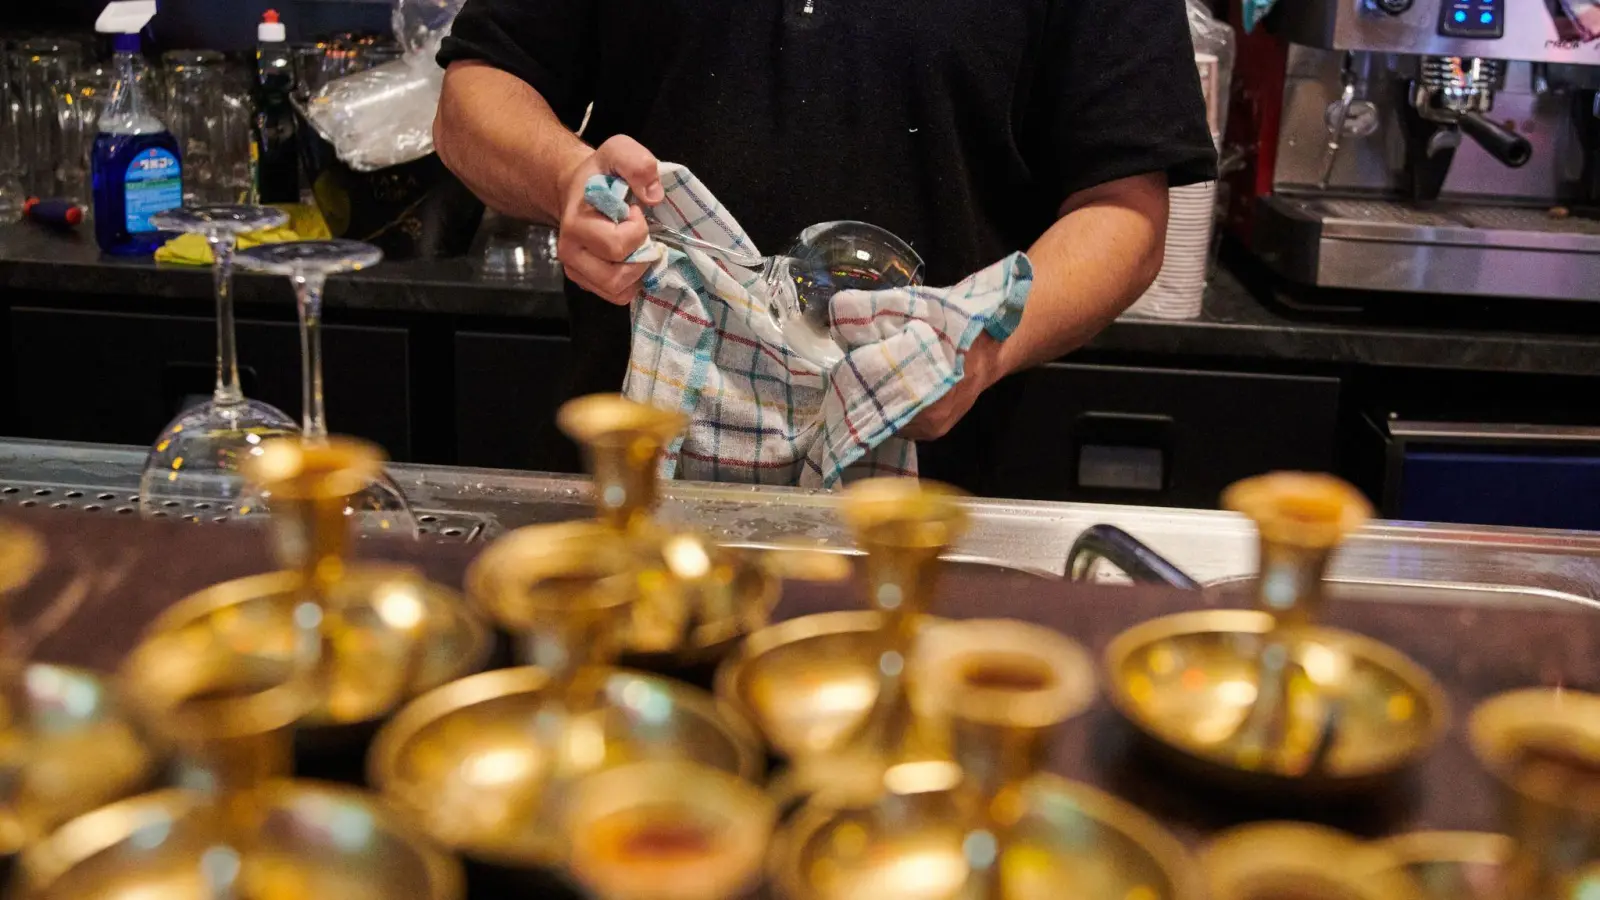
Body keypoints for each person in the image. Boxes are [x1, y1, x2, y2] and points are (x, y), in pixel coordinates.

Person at [434, 0, 1216, 493]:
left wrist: (977, 351)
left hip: (937, 497)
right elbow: (473, 98)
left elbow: (1125, 210)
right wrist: (567, 175)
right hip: (635, 478)